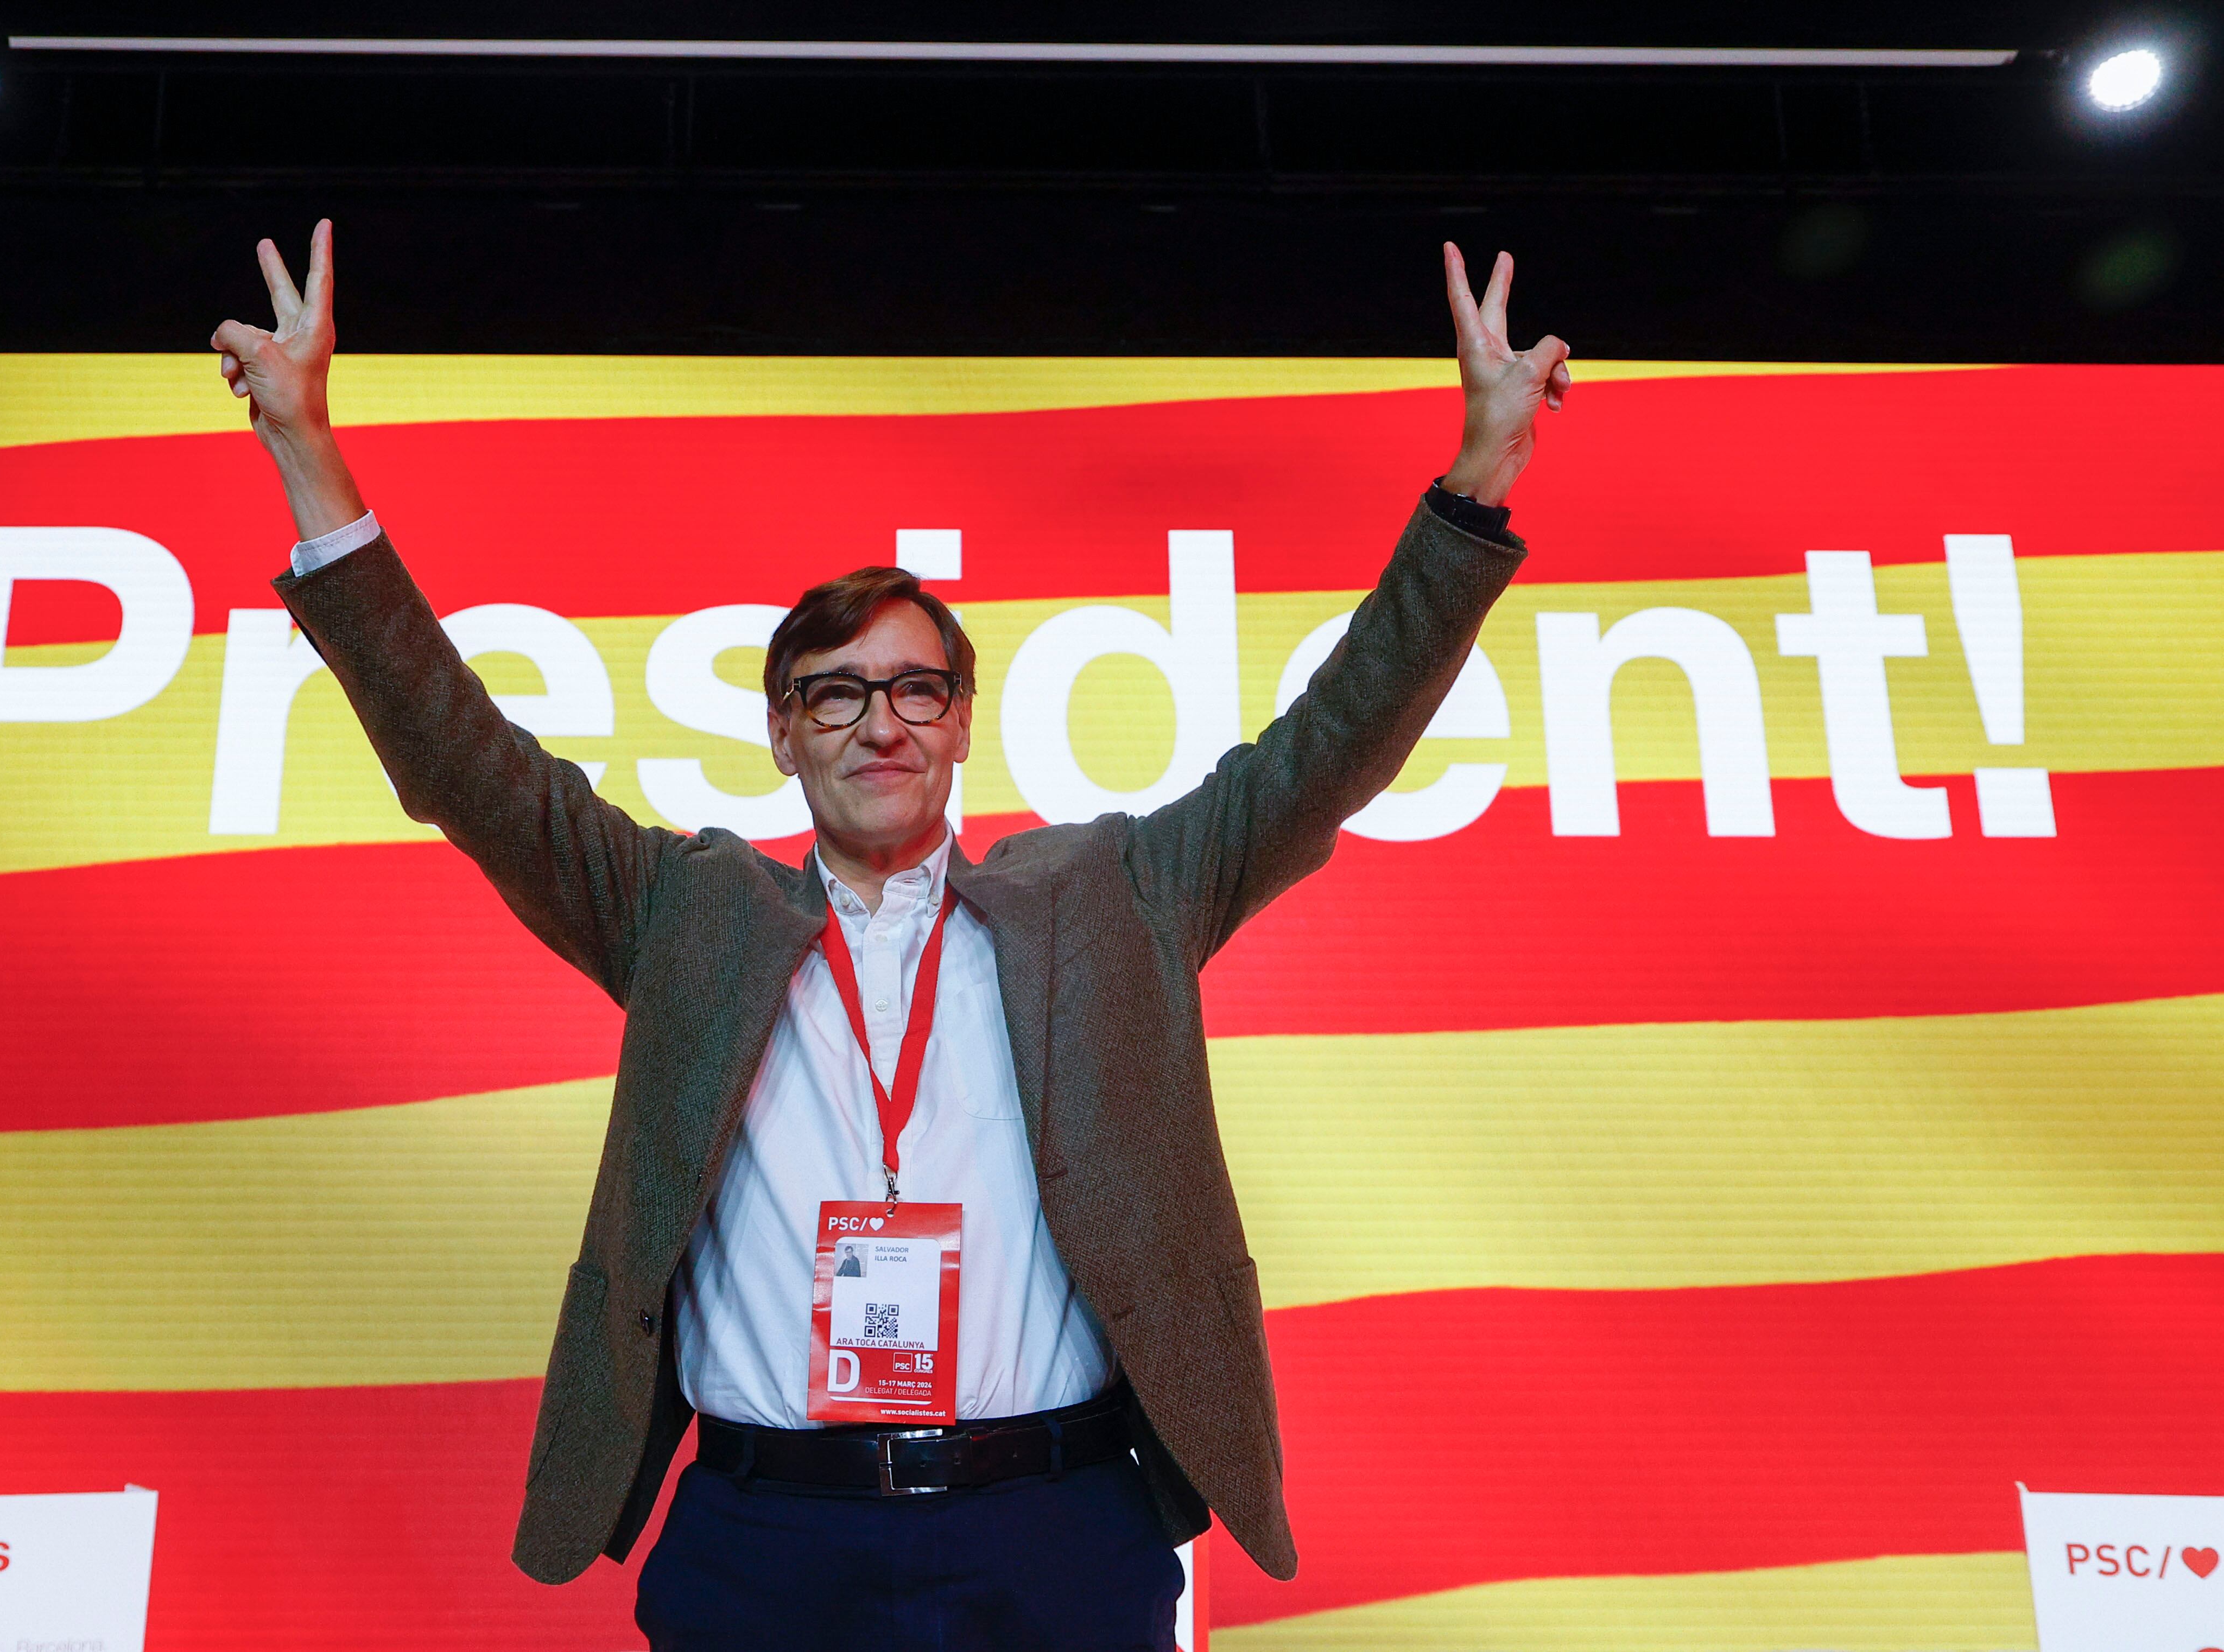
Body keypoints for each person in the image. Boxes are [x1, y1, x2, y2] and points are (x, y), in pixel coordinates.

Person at [212, 220, 1567, 1651]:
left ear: (962, 725)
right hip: (763, 1535)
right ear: (785, 729)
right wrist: (308, 449)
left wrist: (1480, 474)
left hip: (1053, 1526)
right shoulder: (689, 910)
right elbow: (465, 760)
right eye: (839, 691)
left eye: (918, 690)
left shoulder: (1112, 895)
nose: (882, 721)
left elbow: (1331, 746)